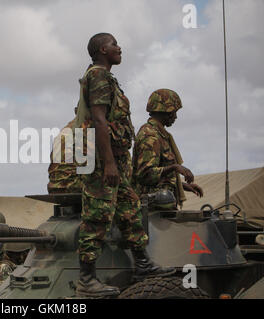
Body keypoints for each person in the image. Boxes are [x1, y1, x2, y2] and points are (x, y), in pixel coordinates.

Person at [75, 33, 175, 298]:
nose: (120, 48)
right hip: (99, 157)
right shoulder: (98, 75)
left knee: (130, 208)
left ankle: (142, 265)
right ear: (102, 50)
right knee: (97, 215)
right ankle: (86, 279)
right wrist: (109, 163)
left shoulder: (106, 77)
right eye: (114, 44)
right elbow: (99, 120)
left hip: (112, 156)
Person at [132, 88, 203, 207]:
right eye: (173, 112)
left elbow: (160, 177)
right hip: (151, 210)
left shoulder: (160, 135)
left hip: (161, 208)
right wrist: (174, 167)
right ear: (165, 111)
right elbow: (145, 175)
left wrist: (184, 186)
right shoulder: (150, 136)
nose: (175, 117)